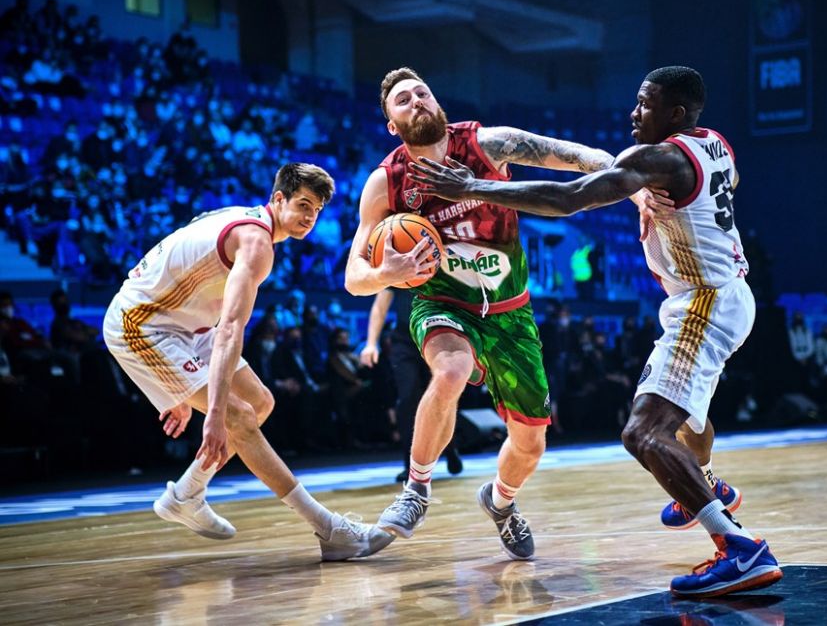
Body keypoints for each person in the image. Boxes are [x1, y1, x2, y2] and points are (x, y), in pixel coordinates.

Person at [408, 66, 782, 596]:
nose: (634, 113)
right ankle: (705, 483)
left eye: (646, 104)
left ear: (675, 114)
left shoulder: (658, 159)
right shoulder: (714, 144)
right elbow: (729, 183)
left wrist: (473, 186)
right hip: (726, 295)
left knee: (644, 433)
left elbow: (568, 199)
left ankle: (739, 548)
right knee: (683, 410)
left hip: (705, 302)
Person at [344, 67, 614, 560]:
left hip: (510, 311)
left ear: (437, 101)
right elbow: (353, 277)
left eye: (422, 92)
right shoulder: (386, 183)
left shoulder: (487, 145)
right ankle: (416, 489)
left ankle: (501, 502)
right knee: (451, 370)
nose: (417, 101)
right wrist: (386, 272)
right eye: (403, 100)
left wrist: (631, 183)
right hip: (444, 304)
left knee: (531, 443)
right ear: (392, 126)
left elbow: (572, 155)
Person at [101, 163, 393, 561]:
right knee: (236, 416)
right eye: (303, 204)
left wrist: (177, 386)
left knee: (259, 403)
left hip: (185, 324)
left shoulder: (243, 218)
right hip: (142, 324)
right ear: (278, 199)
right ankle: (330, 529)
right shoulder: (257, 245)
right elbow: (230, 330)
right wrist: (208, 409)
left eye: (317, 209)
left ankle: (186, 493)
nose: (310, 216)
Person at [361, 289, 463, 483]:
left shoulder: (441, 271)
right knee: (408, 399)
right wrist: (371, 343)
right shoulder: (398, 270)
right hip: (404, 341)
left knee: (442, 396)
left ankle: (449, 447)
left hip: (437, 338)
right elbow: (380, 306)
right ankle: (410, 465)